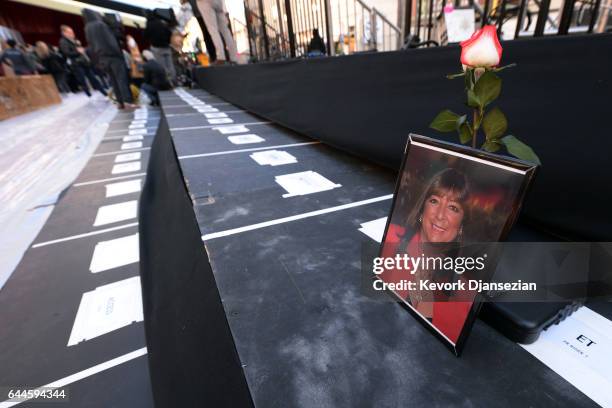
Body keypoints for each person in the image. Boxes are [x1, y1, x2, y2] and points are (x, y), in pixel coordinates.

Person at [379, 168, 474, 342]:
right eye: (435, 201)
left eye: (453, 208)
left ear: (461, 226)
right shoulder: (391, 240)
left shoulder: (464, 292)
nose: (440, 215)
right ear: (423, 209)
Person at [82, 9, 135, 109]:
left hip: (102, 58)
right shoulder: (101, 24)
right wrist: (118, 52)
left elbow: (91, 45)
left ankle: (120, 102)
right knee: (121, 79)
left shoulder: (87, 28)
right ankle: (127, 101)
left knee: (113, 81)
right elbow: (110, 41)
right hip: (113, 56)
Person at [59, 25, 107, 97]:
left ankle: (104, 93)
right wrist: (78, 51)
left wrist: (79, 47)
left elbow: (79, 50)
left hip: (84, 62)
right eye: (69, 32)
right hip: (76, 64)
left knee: (93, 78)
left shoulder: (74, 40)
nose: (72, 33)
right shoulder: (63, 42)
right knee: (83, 80)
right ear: (64, 33)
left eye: (72, 32)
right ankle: (88, 94)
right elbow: (66, 53)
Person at [144, 11, 176, 83]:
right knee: (170, 65)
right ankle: (173, 80)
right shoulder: (161, 22)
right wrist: (167, 41)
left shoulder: (149, 24)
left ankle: (166, 82)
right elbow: (169, 32)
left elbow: (145, 35)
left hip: (157, 47)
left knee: (162, 66)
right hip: (166, 46)